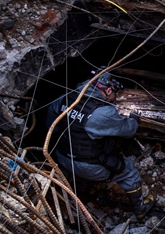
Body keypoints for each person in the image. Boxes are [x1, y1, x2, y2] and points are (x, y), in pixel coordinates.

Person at [45, 68, 155, 219]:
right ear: (108, 90)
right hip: (87, 167)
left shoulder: (66, 98)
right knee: (128, 170)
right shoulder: (101, 113)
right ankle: (141, 208)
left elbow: (51, 123)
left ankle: (81, 186)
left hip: (61, 157)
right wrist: (134, 119)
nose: (114, 99)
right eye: (114, 95)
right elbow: (129, 130)